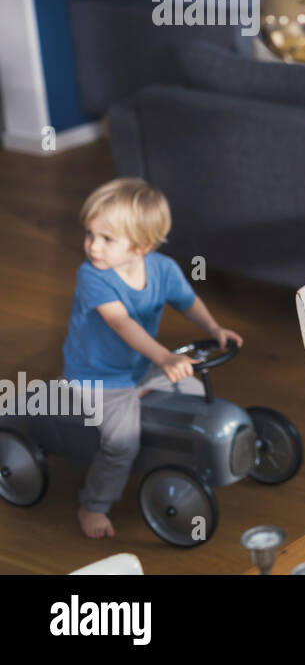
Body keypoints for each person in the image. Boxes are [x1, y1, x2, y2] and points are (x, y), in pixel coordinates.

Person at [62, 177, 243, 539]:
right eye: (89, 234)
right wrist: (163, 357)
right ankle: (92, 506)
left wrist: (214, 328)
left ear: (142, 246)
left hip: (140, 368)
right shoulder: (92, 277)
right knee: (121, 442)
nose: (93, 246)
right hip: (97, 379)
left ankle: (183, 455)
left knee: (195, 397)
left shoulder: (163, 269)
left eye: (106, 239)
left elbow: (187, 301)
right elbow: (121, 323)